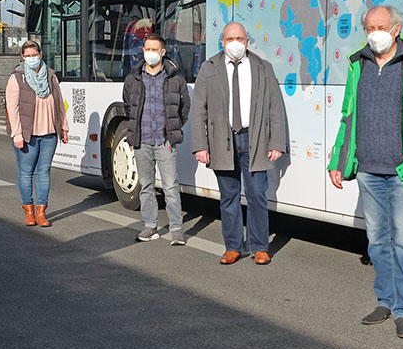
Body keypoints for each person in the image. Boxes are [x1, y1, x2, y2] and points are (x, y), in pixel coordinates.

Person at [328, 5, 403, 339]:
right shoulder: (358, 65)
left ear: (397, 29)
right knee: (377, 241)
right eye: (369, 28)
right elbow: (347, 117)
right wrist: (338, 162)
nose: (374, 34)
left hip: (401, 172)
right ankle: (385, 300)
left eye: (381, 27)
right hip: (368, 170)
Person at [191, 22, 287, 265]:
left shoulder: (263, 68)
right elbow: (198, 110)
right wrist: (200, 146)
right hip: (222, 140)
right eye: (229, 38)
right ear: (222, 42)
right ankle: (233, 246)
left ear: (247, 41)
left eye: (239, 38)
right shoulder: (209, 68)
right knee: (229, 196)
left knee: (257, 195)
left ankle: (260, 246)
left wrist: (276, 142)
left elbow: (275, 107)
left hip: (254, 139)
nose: (234, 42)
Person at [123, 33, 190, 244]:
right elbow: (128, 106)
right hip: (141, 140)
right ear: (143, 51)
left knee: (170, 186)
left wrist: (173, 129)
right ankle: (150, 226)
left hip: (165, 141)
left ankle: (176, 229)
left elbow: (184, 108)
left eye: (154, 49)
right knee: (146, 186)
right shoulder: (133, 78)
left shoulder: (175, 78)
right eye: (147, 49)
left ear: (162, 52)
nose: (150, 53)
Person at [5, 40, 67, 227]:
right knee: (26, 173)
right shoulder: (17, 78)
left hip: (49, 133)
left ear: (41, 54)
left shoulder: (50, 75)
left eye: (35, 55)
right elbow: (12, 108)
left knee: (44, 172)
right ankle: (29, 211)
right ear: (22, 57)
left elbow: (60, 103)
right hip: (26, 134)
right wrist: (16, 133)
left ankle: (41, 212)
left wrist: (63, 127)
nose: (32, 59)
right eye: (28, 56)